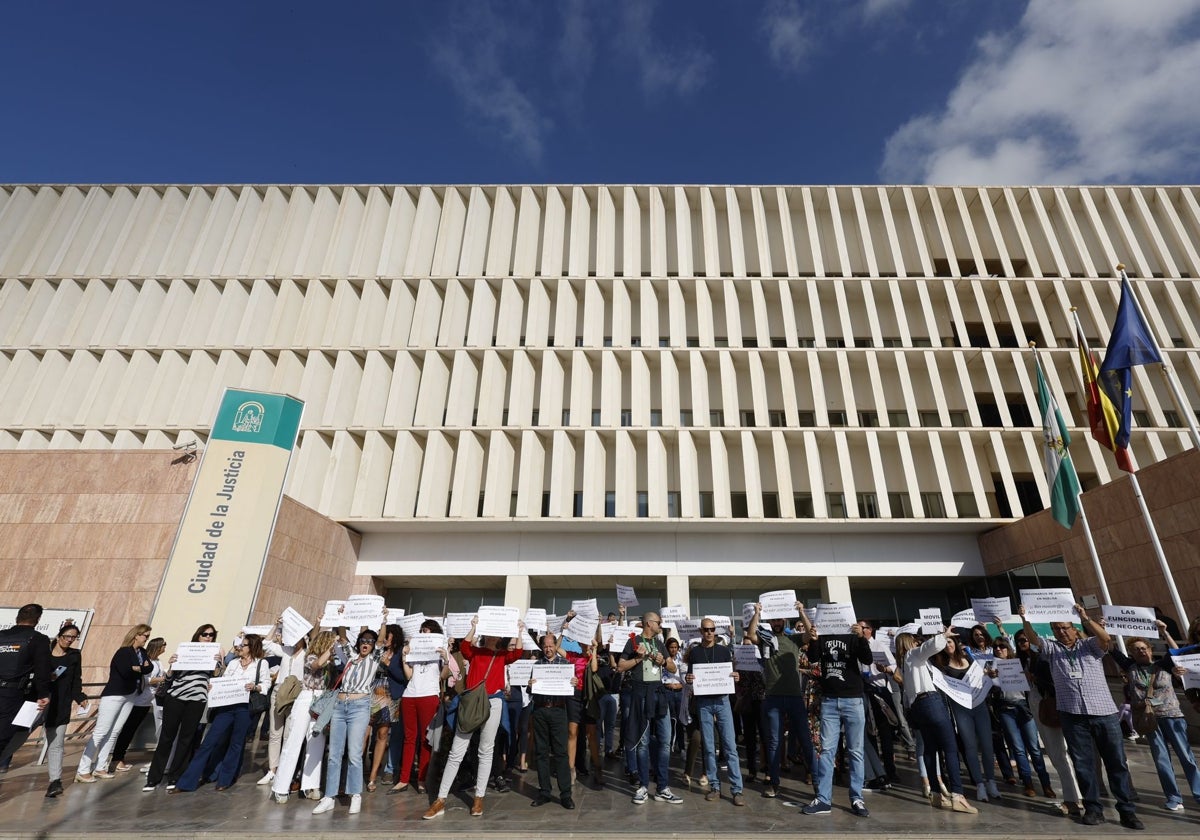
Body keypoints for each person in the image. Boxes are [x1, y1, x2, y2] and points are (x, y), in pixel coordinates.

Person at [1018, 602, 1143, 830]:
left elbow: (1106, 640)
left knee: (1116, 762)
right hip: (1072, 714)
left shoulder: (1089, 646)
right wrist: (1025, 620)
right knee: (1083, 764)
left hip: (1103, 712)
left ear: (1074, 629)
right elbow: (1034, 641)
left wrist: (1085, 618)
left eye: (1065, 628)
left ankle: (1126, 810)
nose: (1061, 632)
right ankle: (1093, 808)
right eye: (1056, 629)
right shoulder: (1053, 650)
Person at [423, 614, 525, 820]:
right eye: (488, 634)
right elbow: (466, 646)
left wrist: (520, 631)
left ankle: (479, 797)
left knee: (485, 750)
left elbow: (518, 653)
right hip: (471, 702)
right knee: (456, 751)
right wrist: (473, 626)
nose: (490, 637)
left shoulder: (503, 655)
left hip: (494, 702)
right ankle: (440, 799)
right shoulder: (475, 652)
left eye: (494, 634)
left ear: (499, 637)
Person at [1110, 630, 1200, 812]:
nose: (1141, 651)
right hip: (1149, 719)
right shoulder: (1130, 667)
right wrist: (1101, 627)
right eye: (1136, 650)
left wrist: (1165, 632)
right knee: (1161, 759)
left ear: (1150, 650)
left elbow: (1176, 651)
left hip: (1172, 715)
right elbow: (1112, 649)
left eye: (1144, 648)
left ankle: (1198, 793)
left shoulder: (1164, 665)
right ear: (1131, 653)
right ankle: (1173, 797)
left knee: (1186, 756)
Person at [797, 606, 872, 818]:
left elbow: (867, 660)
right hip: (829, 700)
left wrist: (861, 638)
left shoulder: (852, 635)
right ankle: (823, 799)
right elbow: (812, 659)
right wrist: (812, 639)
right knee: (827, 751)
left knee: (855, 751)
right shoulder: (822, 635)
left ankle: (857, 798)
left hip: (853, 699)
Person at [894, 630, 978, 814]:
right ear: (909, 644)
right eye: (915, 641)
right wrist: (943, 634)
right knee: (950, 747)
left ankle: (936, 793)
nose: (918, 643)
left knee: (930, 750)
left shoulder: (906, 664)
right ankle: (958, 795)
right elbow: (929, 647)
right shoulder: (913, 654)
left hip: (918, 707)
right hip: (930, 702)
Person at [173, 633, 269, 793]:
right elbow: (224, 680)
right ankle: (187, 782)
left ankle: (225, 779)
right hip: (226, 706)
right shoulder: (233, 663)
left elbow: (266, 684)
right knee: (210, 741)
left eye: (243, 645)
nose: (239, 647)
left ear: (251, 647)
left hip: (245, 708)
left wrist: (255, 686)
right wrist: (214, 687)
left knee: (236, 744)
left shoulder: (261, 664)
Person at [312, 627, 385, 815]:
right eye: (363, 640)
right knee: (335, 753)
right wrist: (342, 619)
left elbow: (381, 641)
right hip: (339, 706)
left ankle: (355, 795)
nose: (365, 644)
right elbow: (343, 637)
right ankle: (329, 796)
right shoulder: (350, 658)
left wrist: (383, 620)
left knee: (354, 752)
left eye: (369, 641)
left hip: (359, 706)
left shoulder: (373, 659)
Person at [747, 600, 814, 798]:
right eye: (774, 619)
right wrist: (757, 613)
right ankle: (773, 782)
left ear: (784, 620)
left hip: (794, 697)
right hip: (773, 698)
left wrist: (801, 612)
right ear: (771, 621)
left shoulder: (794, 640)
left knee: (805, 739)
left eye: (780, 619)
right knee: (774, 742)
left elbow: (810, 635)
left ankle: (817, 781)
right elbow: (751, 635)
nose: (777, 622)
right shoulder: (765, 639)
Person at [144, 624, 222, 792]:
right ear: (197, 636)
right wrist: (172, 665)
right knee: (166, 737)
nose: (208, 637)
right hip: (176, 697)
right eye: (204, 634)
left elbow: (216, 677)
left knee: (186, 739)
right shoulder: (185, 650)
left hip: (197, 699)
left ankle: (175, 776)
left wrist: (218, 663)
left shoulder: (214, 655)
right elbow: (170, 677)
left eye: (211, 635)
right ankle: (153, 778)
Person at [616, 611, 682, 806]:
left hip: (659, 693)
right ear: (648, 623)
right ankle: (643, 786)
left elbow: (673, 668)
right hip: (640, 694)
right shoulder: (633, 642)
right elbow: (620, 666)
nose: (660, 624)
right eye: (658, 622)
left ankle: (662, 787)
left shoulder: (660, 642)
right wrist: (637, 658)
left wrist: (663, 661)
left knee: (664, 739)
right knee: (642, 742)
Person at [76, 623, 153, 782]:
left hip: (131, 695)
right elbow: (125, 670)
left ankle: (100, 767)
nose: (146, 639)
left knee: (115, 731)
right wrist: (139, 668)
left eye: (148, 636)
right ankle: (83, 769)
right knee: (101, 731)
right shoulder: (124, 652)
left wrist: (137, 668)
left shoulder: (142, 652)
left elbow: (148, 668)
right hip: (115, 694)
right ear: (136, 635)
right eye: (145, 635)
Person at [270, 628, 335, 803]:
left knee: (316, 741)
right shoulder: (311, 656)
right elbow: (316, 666)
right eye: (330, 644)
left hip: (322, 700)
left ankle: (310, 785)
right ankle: (280, 787)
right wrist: (330, 650)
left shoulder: (331, 661)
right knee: (294, 741)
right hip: (307, 697)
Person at [685, 618, 745, 806]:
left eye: (712, 629)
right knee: (709, 747)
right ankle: (715, 787)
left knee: (730, 746)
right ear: (700, 631)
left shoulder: (724, 650)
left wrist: (736, 676)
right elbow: (690, 677)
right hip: (703, 702)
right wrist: (688, 678)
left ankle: (737, 790)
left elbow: (732, 673)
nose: (709, 632)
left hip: (722, 700)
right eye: (706, 629)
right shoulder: (694, 652)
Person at [989, 636, 1055, 798]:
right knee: (1018, 749)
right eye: (996, 647)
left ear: (1008, 648)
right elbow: (995, 686)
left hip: (1024, 708)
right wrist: (991, 676)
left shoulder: (1019, 662)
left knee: (1034, 748)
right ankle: (1028, 783)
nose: (998, 649)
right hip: (1006, 709)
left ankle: (1046, 784)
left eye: (1002, 647)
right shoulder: (992, 666)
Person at [935, 632, 997, 801]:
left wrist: (988, 674)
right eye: (944, 643)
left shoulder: (969, 659)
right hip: (961, 709)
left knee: (987, 745)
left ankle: (991, 781)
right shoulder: (943, 666)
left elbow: (981, 673)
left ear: (955, 642)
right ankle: (979, 784)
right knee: (970, 746)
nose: (948, 645)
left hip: (980, 706)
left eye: (950, 641)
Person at [390, 618, 447, 795]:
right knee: (409, 738)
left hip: (429, 695)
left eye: (427, 630)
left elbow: (444, 675)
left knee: (425, 739)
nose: (424, 632)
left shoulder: (441, 649)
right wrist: (405, 659)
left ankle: (422, 779)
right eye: (422, 629)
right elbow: (409, 676)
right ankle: (404, 779)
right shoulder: (414, 649)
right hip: (410, 695)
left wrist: (445, 659)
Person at [0, 604, 51, 768]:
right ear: (37, 619)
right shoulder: (38, 639)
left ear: (17, 617)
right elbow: (42, 670)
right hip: (13, 695)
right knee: (3, 737)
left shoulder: (1, 636)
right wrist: (43, 694)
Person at [528, 632, 575, 809]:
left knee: (561, 753)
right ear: (542, 647)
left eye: (550, 645)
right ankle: (544, 792)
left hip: (558, 710)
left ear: (556, 645)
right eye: (545, 646)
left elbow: (572, 687)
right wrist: (530, 685)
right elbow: (530, 690)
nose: (548, 649)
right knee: (541, 752)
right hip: (540, 710)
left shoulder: (565, 664)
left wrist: (573, 681)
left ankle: (565, 794)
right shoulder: (537, 665)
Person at [42, 620, 87, 798]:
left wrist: (80, 697)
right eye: (67, 636)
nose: (70, 640)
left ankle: (55, 781)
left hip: (60, 703)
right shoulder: (44, 653)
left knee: (56, 743)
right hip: (37, 701)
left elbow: (76, 679)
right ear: (59, 636)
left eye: (74, 637)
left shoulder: (74, 656)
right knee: (16, 736)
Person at [110, 636, 166, 773]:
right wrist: (162, 679)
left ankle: (118, 757)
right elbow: (146, 680)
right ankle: (117, 758)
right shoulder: (148, 662)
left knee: (132, 729)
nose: (165, 647)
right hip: (140, 700)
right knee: (128, 729)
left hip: (149, 700)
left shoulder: (158, 662)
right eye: (164, 644)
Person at [367, 625, 401, 792]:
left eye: (389, 636)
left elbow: (402, 676)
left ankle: (373, 776)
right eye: (385, 636)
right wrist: (383, 622)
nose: (386, 639)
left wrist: (388, 664)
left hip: (389, 693)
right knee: (364, 733)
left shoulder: (401, 653)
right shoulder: (376, 650)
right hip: (372, 691)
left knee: (382, 734)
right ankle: (356, 771)